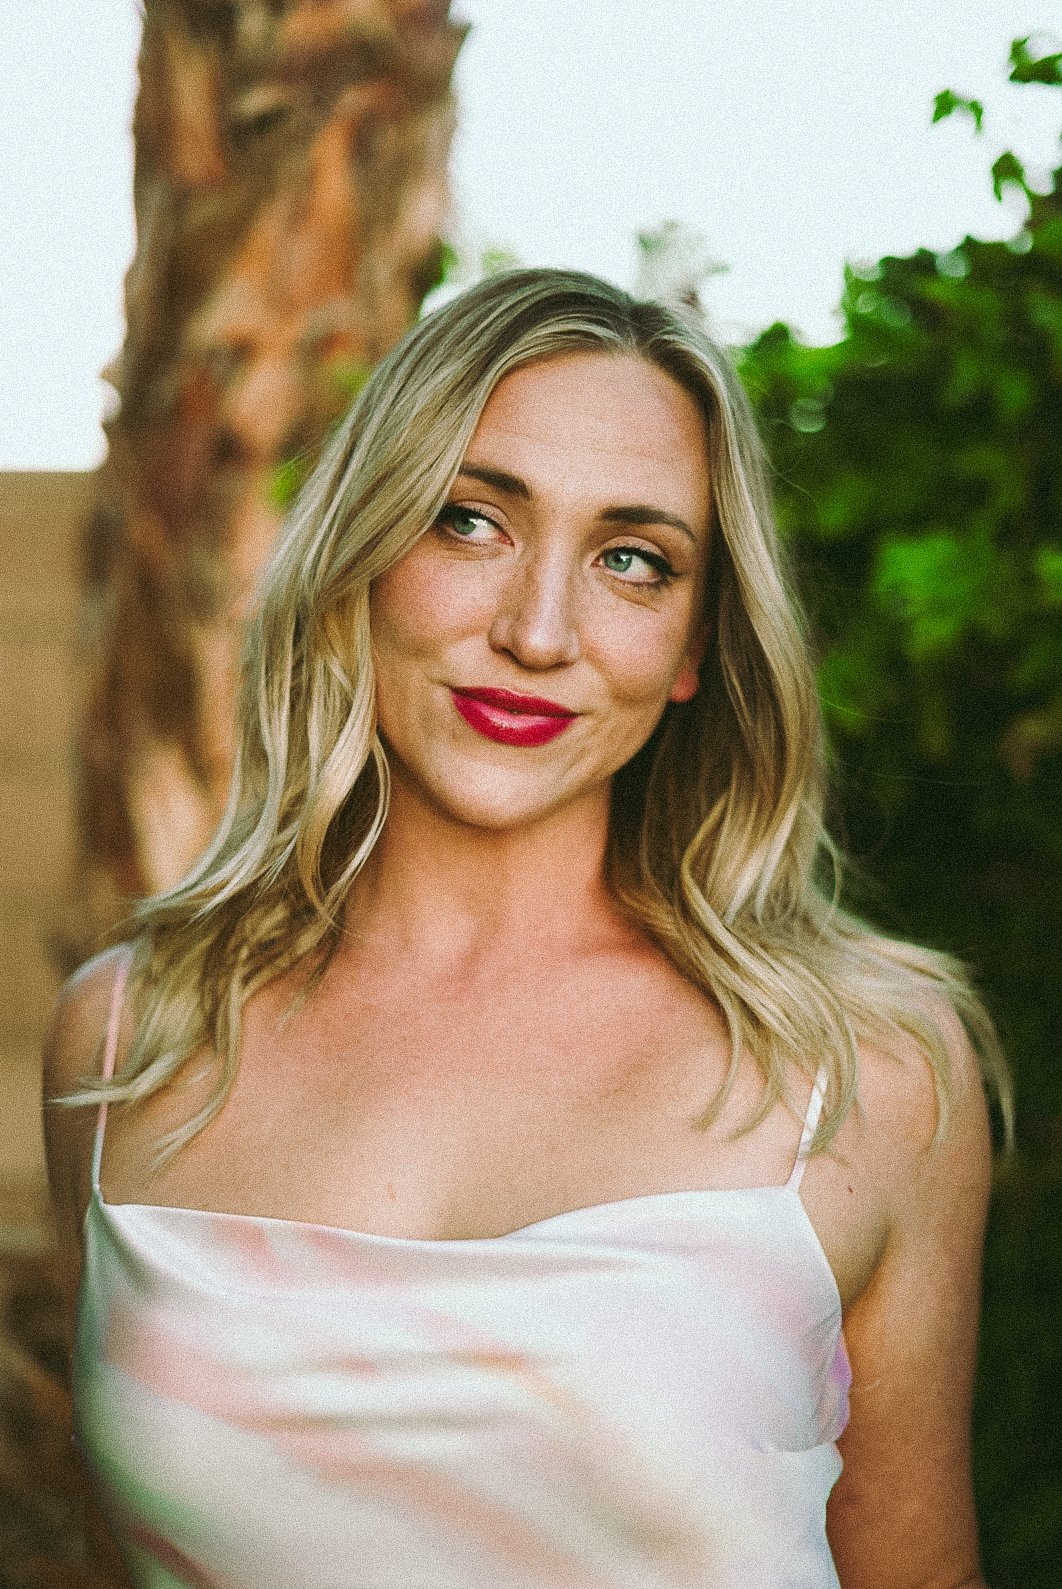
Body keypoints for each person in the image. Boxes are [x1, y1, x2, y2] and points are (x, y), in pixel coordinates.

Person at [43, 268, 1009, 1589]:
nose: (538, 631)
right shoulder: (129, 1038)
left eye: (631, 559)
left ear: (693, 646)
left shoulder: (867, 1068)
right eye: (470, 521)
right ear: (362, 558)